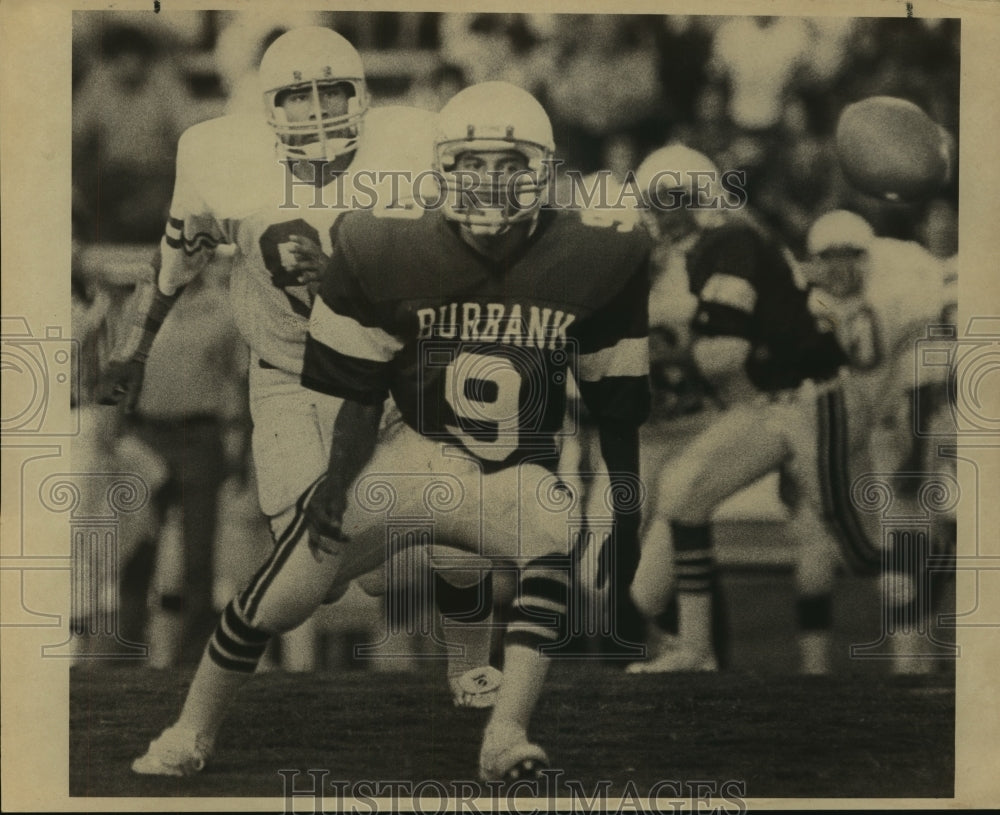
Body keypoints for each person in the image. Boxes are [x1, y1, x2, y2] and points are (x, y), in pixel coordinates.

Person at [98, 26, 495, 777]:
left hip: (401, 373)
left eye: (332, 90)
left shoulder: (417, 143)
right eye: (297, 94)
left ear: (364, 96)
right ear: (266, 106)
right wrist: (132, 347)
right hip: (293, 378)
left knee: (457, 524)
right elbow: (174, 262)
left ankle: (470, 672)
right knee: (308, 577)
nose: (316, 110)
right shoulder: (220, 155)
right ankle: (380, 547)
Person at [299, 80, 652, 781]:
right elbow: (354, 376)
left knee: (506, 539)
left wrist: (625, 497)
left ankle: (485, 693)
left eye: (507, 165)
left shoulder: (579, 252)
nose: (489, 184)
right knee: (334, 577)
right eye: (472, 165)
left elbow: (610, 385)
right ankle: (452, 664)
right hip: (397, 421)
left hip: (509, 449)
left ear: (542, 171)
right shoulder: (388, 242)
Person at [626, 144, 846, 673]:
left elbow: (724, 355)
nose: (656, 213)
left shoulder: (727, 240)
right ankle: (696, 650)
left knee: (868, 547)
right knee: (650, 579)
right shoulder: (711, 247)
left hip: (808, 406)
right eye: (651, 201)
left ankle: (697, 648)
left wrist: (663, 350)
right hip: (765, 408)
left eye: (668, 199)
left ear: (698, 198)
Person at [790, 210, 956, 674]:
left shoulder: (900, 286)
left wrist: (917, 454)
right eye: (829, 259)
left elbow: (925, 379)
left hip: (921, 417)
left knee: (926, 534)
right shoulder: (805, 300)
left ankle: (916, 656)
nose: (841, 270)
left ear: (870, 258)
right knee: (884, 543)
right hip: (865, 425)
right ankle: (900, 660)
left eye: (852, 257)